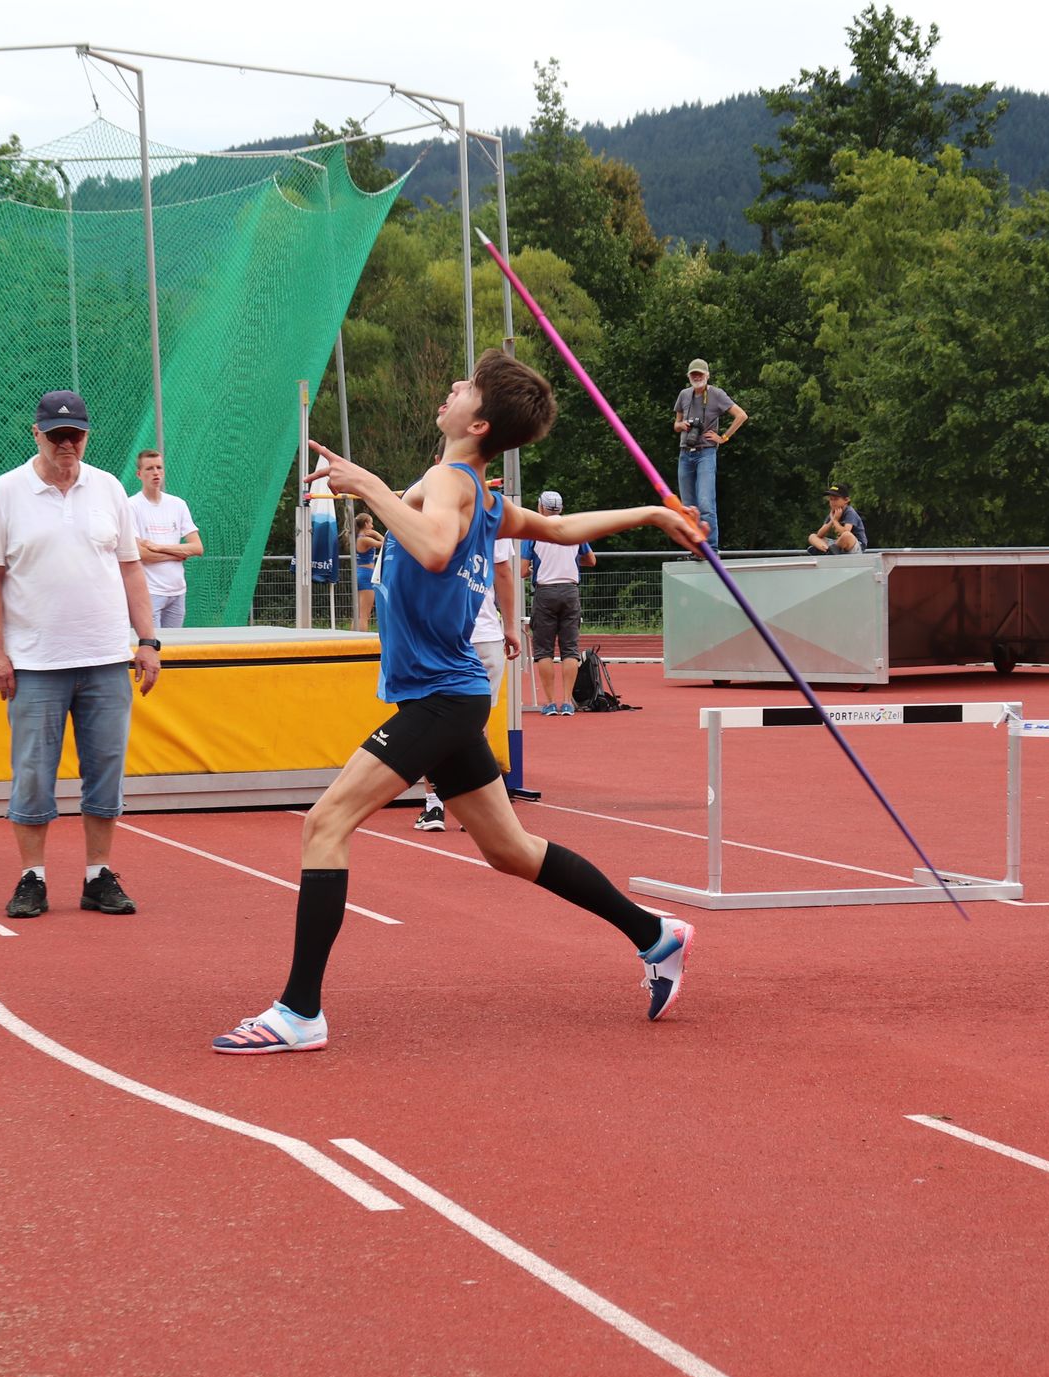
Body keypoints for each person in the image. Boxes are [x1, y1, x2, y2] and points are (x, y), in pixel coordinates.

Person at [208, 351, 705, 1055]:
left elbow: (438, 549)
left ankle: (299, 1012)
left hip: (442, 699)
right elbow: (558, 530)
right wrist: (655, 512)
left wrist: (369, 486)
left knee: (325, 824)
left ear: (476, 421)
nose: (449, 387)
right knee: (509, 848)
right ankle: (656, 935)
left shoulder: (452, 484)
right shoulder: (473, 491)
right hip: (456, 694)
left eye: (462, 386)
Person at [0, 390, 162, 920]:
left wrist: (147, 641)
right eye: (55, 435)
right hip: (34, 663)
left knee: (105, 769)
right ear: (36, 434)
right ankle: (32, 877)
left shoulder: (107, 490)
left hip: (105, 657)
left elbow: (130, 568)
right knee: (32, 772)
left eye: (74, 434)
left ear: (87, 435)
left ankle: (97, 875)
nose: (66, 444)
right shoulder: (7, 491)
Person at [415, 531, 519, 832]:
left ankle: (434, 806)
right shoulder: (492, 518)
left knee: (430, 719)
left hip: (441, 634)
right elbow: (503, 573)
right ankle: (479, 808)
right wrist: (510, 625)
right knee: (476, 726)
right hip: (484, 633)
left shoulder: (429, 515)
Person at [522, 491, 594, 715]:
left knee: (543, 650)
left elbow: (523, 570)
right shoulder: (574, 528)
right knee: (570, 649)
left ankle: (550, 702)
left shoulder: (534, 530)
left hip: (545, 592)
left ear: (540, 508)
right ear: (561, 508)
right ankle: (567, 702)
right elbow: (591, 560)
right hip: (570, 591)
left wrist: (535, 567)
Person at [672, 358, 745, 547]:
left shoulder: (717, 394)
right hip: (685, 452)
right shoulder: (684, 395)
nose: (697, 377)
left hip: (706, 452)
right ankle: (693, 547)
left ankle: (711, 548)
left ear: (707, 375)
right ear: (688, 376)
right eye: (693, 374)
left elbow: (741, 415)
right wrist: (683, 425)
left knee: (705, 503)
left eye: (700, 374)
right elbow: (676, 425)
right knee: (688, 506)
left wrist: (724, 437)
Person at [129, 450, 203, 630]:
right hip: (149, 593)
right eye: (149, 468)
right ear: (139, 474)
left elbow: (197, 547)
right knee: (151, 648)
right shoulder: (131, 506)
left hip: (178, 592)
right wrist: (178, 553)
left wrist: (158, 547)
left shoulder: (178, 504)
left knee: (173, 651)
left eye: (159, 467)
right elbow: (141, 554)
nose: (155, 472)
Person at [805, 483, 869, 554]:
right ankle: (827, 551)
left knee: (846, 535)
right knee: (812, 536)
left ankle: (830, 550)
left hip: (855, 545)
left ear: (846, 500)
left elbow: (845, 532)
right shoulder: (833, 513)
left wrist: (835, 521)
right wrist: (832, 520)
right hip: (838, 545)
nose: (832, 502)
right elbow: (820, 534)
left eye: (836, 499)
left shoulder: (850, 512)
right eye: (830, 499)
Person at [352, 512, 382, 631]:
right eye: (371, 523)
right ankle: (359, 643)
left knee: (358, 613)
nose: (372, 526)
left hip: (361, 573)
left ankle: (352, 640)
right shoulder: (364, 539)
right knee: (364, 615)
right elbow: (386, 543)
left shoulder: (359, 538)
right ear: (366, 523)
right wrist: (377, 534)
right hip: (366, 574)